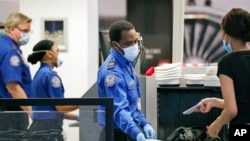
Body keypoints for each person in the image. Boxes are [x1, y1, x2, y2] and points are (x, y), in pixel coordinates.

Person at [97, 20, 156, 141]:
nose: (134, 46)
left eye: (135, 41)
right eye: (128, 43)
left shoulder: (126, 64)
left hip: (126, 130)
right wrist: (136, 133)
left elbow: (133, 105)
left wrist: (144, 123)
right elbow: (119, 110)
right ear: (115, 45)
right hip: (115, 134)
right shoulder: (112, 72)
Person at [196, 8, 250, 138]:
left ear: (228, 35)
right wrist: (214, 101)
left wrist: (217, 124)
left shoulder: (227, 63)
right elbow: (244, 102)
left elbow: (232, 110)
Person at [27, 39, 79, 141]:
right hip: (48, 131)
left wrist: (77, 118)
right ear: (49, 54)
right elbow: (60, 107)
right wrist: (84, 102)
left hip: (38, 128)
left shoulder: (39, 75)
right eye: (57, 51)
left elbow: (51, 110)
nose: (58, 55)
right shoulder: (50, 76)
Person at [0, 12, 32, 137]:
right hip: (10, 113)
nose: (27, 35)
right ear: (12, 29)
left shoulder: (5, 46)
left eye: (29, 31)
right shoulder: (10, 51)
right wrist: (32, 113)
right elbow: (13, 87)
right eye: (24, 30)